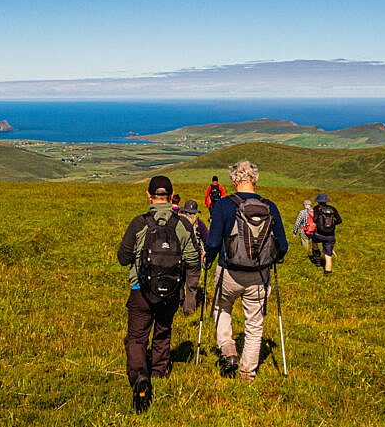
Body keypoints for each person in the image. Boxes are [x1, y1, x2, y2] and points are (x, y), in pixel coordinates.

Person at [117, 176, 201, 413]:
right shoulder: (182, 225)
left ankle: (140, 376)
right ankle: (160, 370)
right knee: (162, 331)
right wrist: (189, 290)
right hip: (171, 292)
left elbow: (123, 259)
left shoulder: (138, 223)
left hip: (140, 290)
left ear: (149, 194)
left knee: (136, 337)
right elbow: (194, 259)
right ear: (172, 195)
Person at [203, 160, 288, 382]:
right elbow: (283, 244)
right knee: (254, 323)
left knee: (222, 308)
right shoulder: (270, 207)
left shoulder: (222, 205)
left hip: (229, 272)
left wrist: (208, 260)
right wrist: (274, 259)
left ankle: (228, 350)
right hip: (259, 274)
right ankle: (247, 373)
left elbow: (212, 242)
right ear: (255, 179)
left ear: (233, 180)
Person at [310, 193, 343, 275]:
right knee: (328, 254)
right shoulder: (332, 209)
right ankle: (328, 272)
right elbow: (339, 220)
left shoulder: (317, 208)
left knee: (313, 240)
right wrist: (332, 224)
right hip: (330, 236)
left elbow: (314, 220)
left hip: (318, 234)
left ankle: (316, 256)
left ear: (318, 201)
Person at [178, 199, 209, 264]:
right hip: (180, 256)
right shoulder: (178, 222)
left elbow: (207, 240)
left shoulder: (200, 224)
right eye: (188, 213)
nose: (190, 216)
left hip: (194, 257)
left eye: (193, 213)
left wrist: (205, 252)